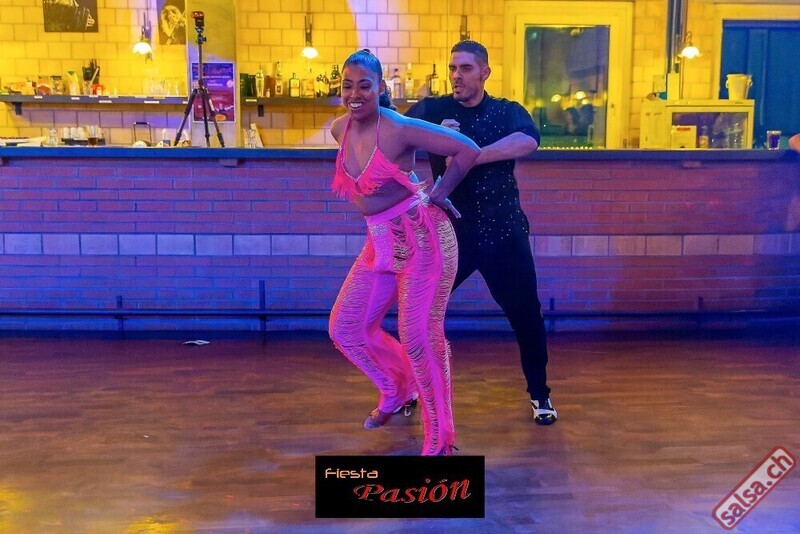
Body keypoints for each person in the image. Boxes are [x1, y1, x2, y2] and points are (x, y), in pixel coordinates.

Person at [328, 49, 480, 456]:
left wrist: (439, 192)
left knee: (420, 338)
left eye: (364, 85)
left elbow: (467, 149)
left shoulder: (398, 127)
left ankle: (440, 438)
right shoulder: (339, 129)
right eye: (347, 85)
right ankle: (396, 389)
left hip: (424, 240)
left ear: (381, 87)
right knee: (346, 328)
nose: (355, 94)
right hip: (379, 242)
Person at [406, 40, 557, 425]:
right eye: (452, 68)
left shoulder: (506, 111)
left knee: (526, 315)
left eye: (466, 68)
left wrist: (469, 154)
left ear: (485, 72)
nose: (456, 75)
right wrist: (432, 138)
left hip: (502, 230)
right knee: (416, 312)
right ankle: (409, 387)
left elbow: (529, 139)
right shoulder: (433, 110)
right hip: (449, 232)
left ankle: (540, 394)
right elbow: (394, 136)